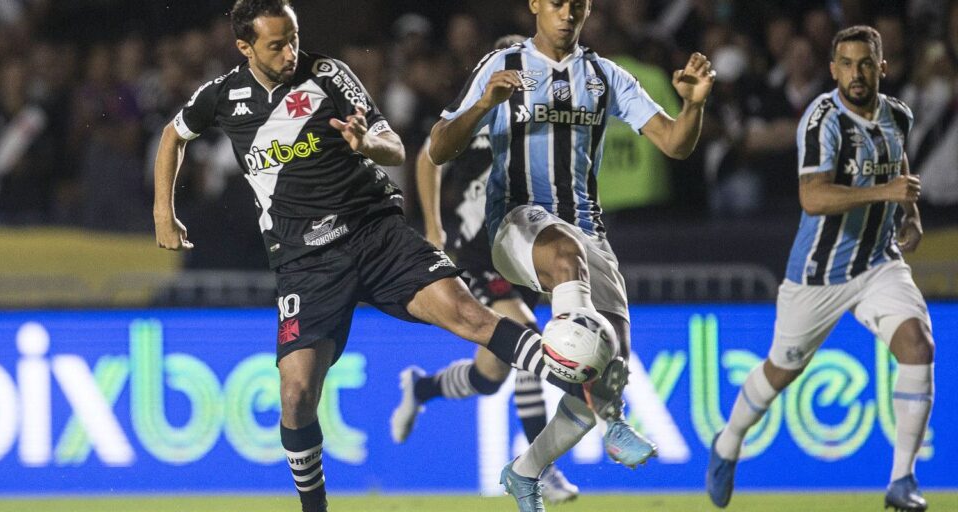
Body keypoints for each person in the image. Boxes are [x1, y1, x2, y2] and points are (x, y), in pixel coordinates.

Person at [153, 2, 615, 511]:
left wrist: (366, 144)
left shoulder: (327, 73)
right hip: (306, 265)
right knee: (296, 394)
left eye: (294, 38)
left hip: (376, 235)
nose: (291, 53)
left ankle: (586, 387)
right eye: (276, 45)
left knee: (469, 316)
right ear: (245, 47)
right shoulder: (222, 96)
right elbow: (174, 135)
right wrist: (164, 212)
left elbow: (394, 145)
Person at [428, 0, 714, 509]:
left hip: (588, 230)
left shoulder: (606, 77)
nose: (567, 13)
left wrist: (691, 106)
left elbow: (674, 143)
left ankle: (525, 471)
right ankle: (599, 404)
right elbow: (437, 148)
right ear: (534, 4)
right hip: (516, 221)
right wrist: (480, 107)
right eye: (556, 2)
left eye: (577, 5)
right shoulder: (502, 67)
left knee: (609, 365)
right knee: (564, 261)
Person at [706, 26, 934, 512]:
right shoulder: (821, 120)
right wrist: (886, 195)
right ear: (834, 70)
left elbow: (899, 168)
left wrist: (909, 216)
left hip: (877, 264)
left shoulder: (897, 115)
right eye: (847, 64)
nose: (856, 73)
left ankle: (902, 481)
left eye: (866, 63)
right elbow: (812, 197)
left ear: (881, 67)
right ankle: (727, 443)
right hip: (818, 275)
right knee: (778, 373)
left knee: (918, 346)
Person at [391, 33, 579, 506]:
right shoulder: (476, 114)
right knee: (523, 331)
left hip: (520, 251)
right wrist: (433, 227)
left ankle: (424, 386)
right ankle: (542, 469)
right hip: (474, 249)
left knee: (492, 372)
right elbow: (427, 160)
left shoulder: (540, 124)